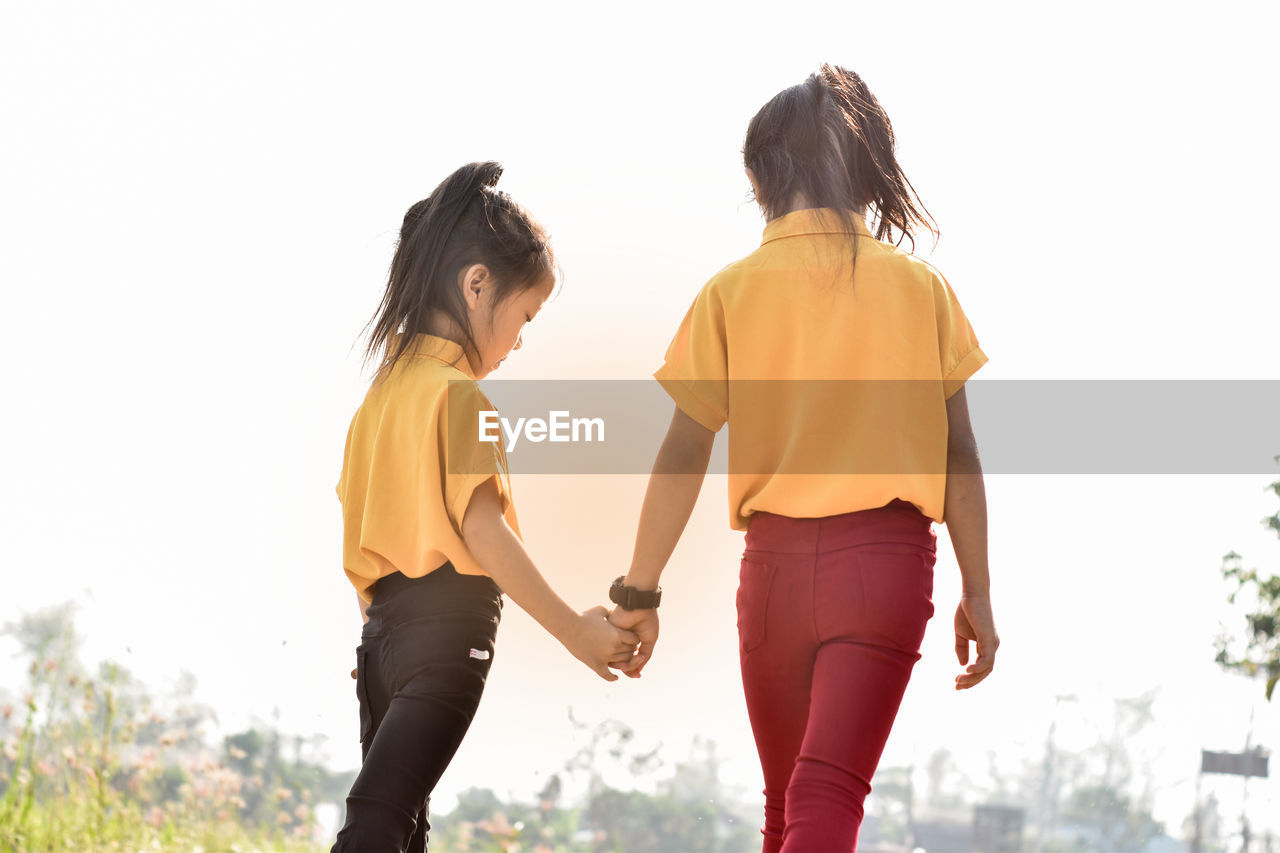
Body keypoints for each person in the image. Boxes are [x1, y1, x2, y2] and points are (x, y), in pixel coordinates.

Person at [605, 65, 999, 852]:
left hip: (774, 572)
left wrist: (638, 590)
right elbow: (959, 451)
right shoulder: (921, 290)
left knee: (789, 808)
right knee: (820, 799)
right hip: (883, 567)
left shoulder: (730, 291)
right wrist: (978, 591)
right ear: (865, 174)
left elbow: (684, 448)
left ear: (759, 180)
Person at [332, 161, 638, 852]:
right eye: (524, 316)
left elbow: (361, 539)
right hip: (445, 639)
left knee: (392, 827)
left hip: (379, 641)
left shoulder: (375, 405)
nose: (521, 339)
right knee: (382, 824)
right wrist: (575, 630)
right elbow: (483, 530)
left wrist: (375, 640)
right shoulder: (460, 396)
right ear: (477, 285)